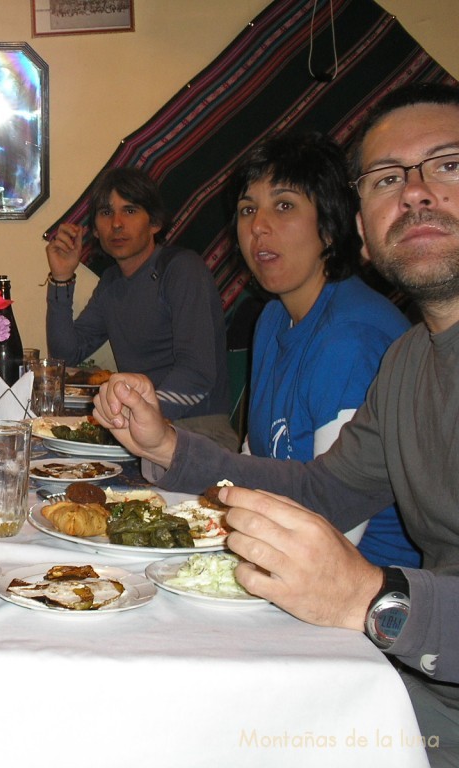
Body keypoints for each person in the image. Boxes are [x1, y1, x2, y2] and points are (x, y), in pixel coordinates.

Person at [94, 83, 459, 761]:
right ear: (363, 228)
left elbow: (346, 549)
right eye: (386, 178)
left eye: (448, 165)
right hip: (408, 672)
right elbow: (322, 491)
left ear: (331, 227)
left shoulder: (358, 340)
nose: (414, 193)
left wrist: (377, 598)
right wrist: (168, 445)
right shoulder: (411, 360)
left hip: (403, 678)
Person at [229, 131, 419, 568]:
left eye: (284, 205)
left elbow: (336, 531)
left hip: (370, 583)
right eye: (247, 209)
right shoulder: (273, 316)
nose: (258, 226)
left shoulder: (351, 338)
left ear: (331, 227)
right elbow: (253, 457)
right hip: (284, 549)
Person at [45, 166, 235, 448]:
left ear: (155, 222)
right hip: (141, 428)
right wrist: (61, 278)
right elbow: (66, 354)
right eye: (107, 213)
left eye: (130, 211)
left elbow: (197, 374)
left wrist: (140, 417)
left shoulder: (181, 268)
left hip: (199, 432)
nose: (117, 224)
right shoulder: (111, 282)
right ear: (95, 230)